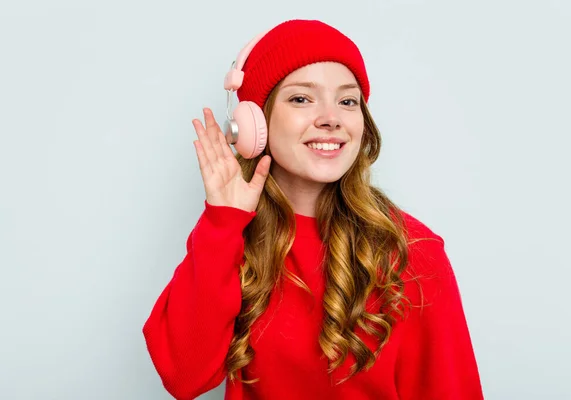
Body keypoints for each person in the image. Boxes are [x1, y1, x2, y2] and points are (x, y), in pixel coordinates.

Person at [142, 19, 484, 400]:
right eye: (302, 98)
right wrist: (223, 222)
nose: (331, 117)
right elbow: (183, 378)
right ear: (254, 123)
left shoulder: (413, 249)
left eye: (347, 101)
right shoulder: (227, 238)